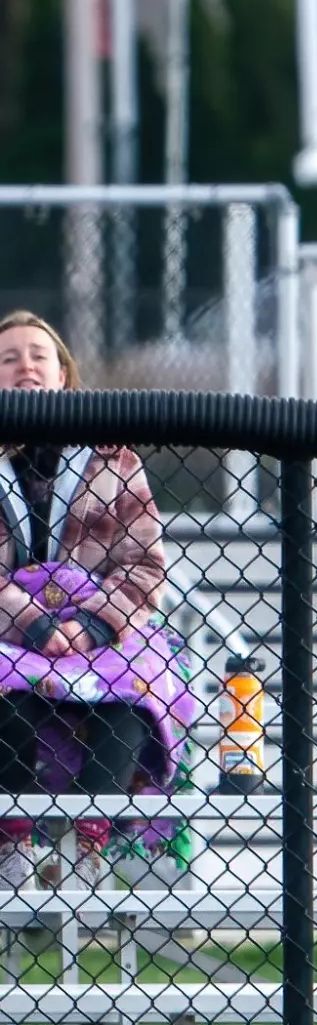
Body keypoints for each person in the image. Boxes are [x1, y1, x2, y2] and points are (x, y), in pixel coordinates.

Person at [0, 312, 198, 887]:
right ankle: (14, 842)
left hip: (100, 628)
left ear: (62, 374)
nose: (25, 366)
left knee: (137, 690)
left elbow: (145, 564)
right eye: (8, 358)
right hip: (10, 629)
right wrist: (36, 626)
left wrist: (91, 625)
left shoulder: (113, 457)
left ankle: (88, 843)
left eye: (38, 355)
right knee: (7, 697)